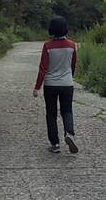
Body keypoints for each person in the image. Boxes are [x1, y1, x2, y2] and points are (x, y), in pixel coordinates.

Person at [33, 16, 78, 154]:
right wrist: (70, 77)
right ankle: (69, 134)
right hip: (67, 83)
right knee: (67, 111)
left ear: (51, 29)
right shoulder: (72, 45)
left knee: (51, 114)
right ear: (65, 29)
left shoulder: (47, 46)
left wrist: (37, 87)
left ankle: (55, 144)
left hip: (50, 85)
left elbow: (43, 68)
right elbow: (73, 65)